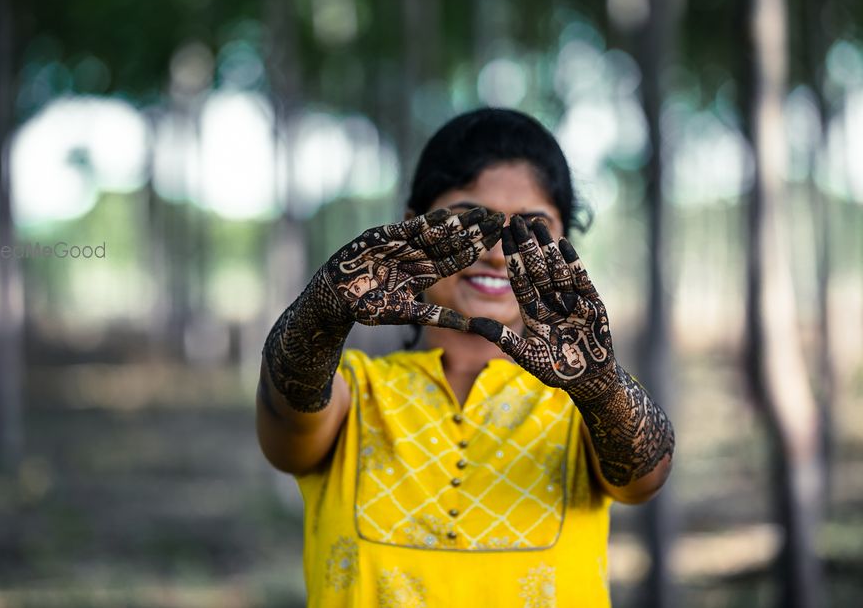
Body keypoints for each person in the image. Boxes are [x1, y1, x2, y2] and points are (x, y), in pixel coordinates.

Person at [257, 108, 674, 607]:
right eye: (469, 223)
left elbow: (645, 478)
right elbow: (287, 437)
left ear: (565, 247)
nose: (497, 253)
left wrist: (599, 385)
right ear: (412, 230)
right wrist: (317, 314)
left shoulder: (587, 404)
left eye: (530, 229)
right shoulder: (353, 393)